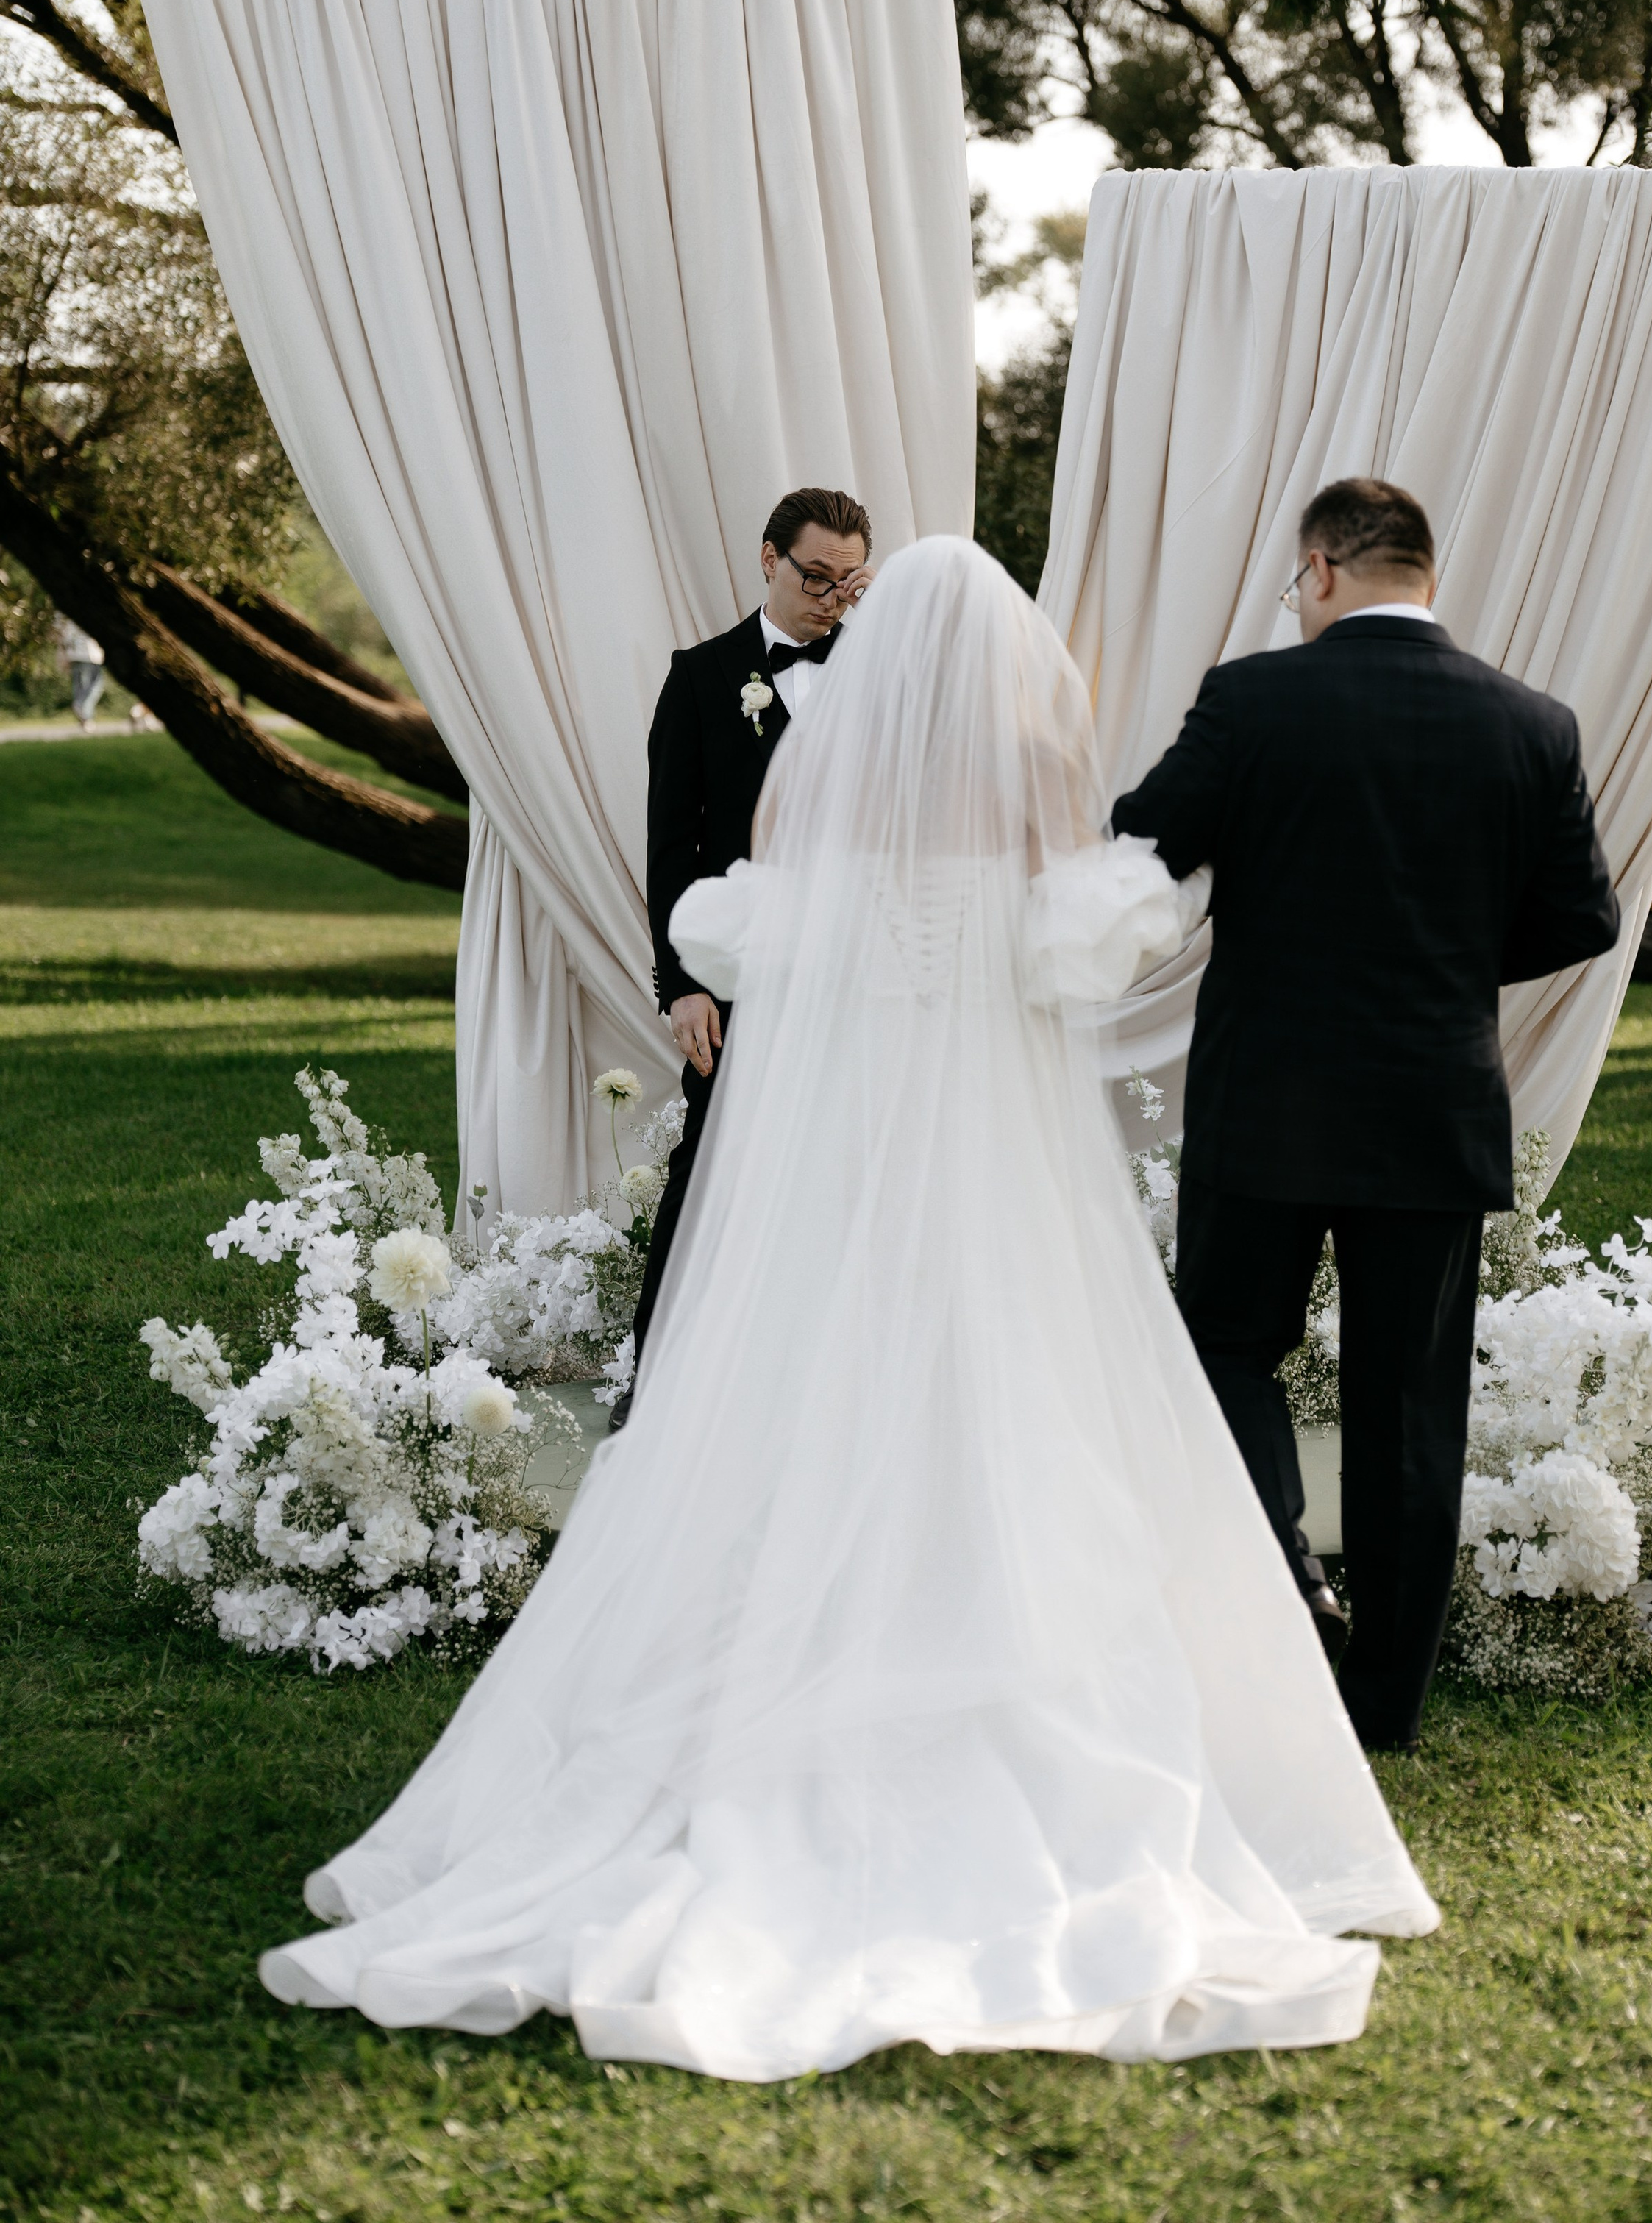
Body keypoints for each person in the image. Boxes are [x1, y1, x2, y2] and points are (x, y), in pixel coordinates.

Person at [260, 537, 1438, 2074]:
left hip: (832, 1196)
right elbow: (1091, 926)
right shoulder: (1035, 811)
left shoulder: (808, 817)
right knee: (1015, 1428)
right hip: (994, 1193)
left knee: (793, 1416)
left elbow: (739, 923)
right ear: (1007, 679)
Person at [1113, 478, 1620, 1756]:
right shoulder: (1532, 723)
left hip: (1267, 1103)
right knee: (1411, 1409)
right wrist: (1439, 960)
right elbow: (1583, 920)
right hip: (1430, 1112)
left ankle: (1287, 1591)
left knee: (1226, 1345)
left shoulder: (1254, 699)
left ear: (1323, 570)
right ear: (1424, 576)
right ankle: (1386, 1707)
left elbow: (1144, 837)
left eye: (1298, 586)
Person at [622, 488, 873, 1426]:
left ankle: (833, 1388)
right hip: (740, 979)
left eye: (849, 582)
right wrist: (683, 984)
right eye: (816, 577)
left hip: (859, 976)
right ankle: (657, 1382)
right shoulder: (700, 677)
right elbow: (671, 848)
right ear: (767, 559)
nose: (831, 599)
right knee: (710, 1169)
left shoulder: (882, 675)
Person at [52, 613, 106, 730]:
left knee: (80, 687)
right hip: (90, 655)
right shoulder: (86, 608)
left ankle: (85, 719)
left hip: (72, 655)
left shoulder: (62, 614)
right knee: (95, 686)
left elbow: (58, 635)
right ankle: (83, 710)